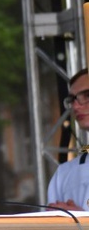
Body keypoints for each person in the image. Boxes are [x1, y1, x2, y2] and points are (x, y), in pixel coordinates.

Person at [48, 68, 89, 211]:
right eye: (72, 99)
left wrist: (81, 221)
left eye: (87, 95)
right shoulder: (64, 173)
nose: (76, 106)